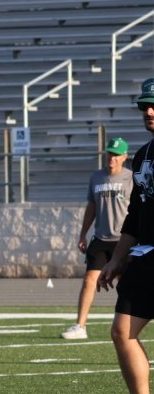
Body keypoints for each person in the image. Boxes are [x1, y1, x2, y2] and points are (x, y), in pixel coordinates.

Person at [99, 78, 154, 394]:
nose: (148, 112)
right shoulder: (143, 155)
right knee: (122, 332)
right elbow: (135, 215)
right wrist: (117, 258)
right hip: (146, 256)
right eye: (144, 106)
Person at [61, 137, 132, 340]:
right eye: (109, 153)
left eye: (116, 154)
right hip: (101, 238)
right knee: (89, 280)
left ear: (124, 157)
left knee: (126, 284)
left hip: (124, 239)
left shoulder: (131, 178)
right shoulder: (97, 177)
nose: (112, 157)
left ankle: (130, 324)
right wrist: (83, 233)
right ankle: (80, 325)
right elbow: (92, 207)